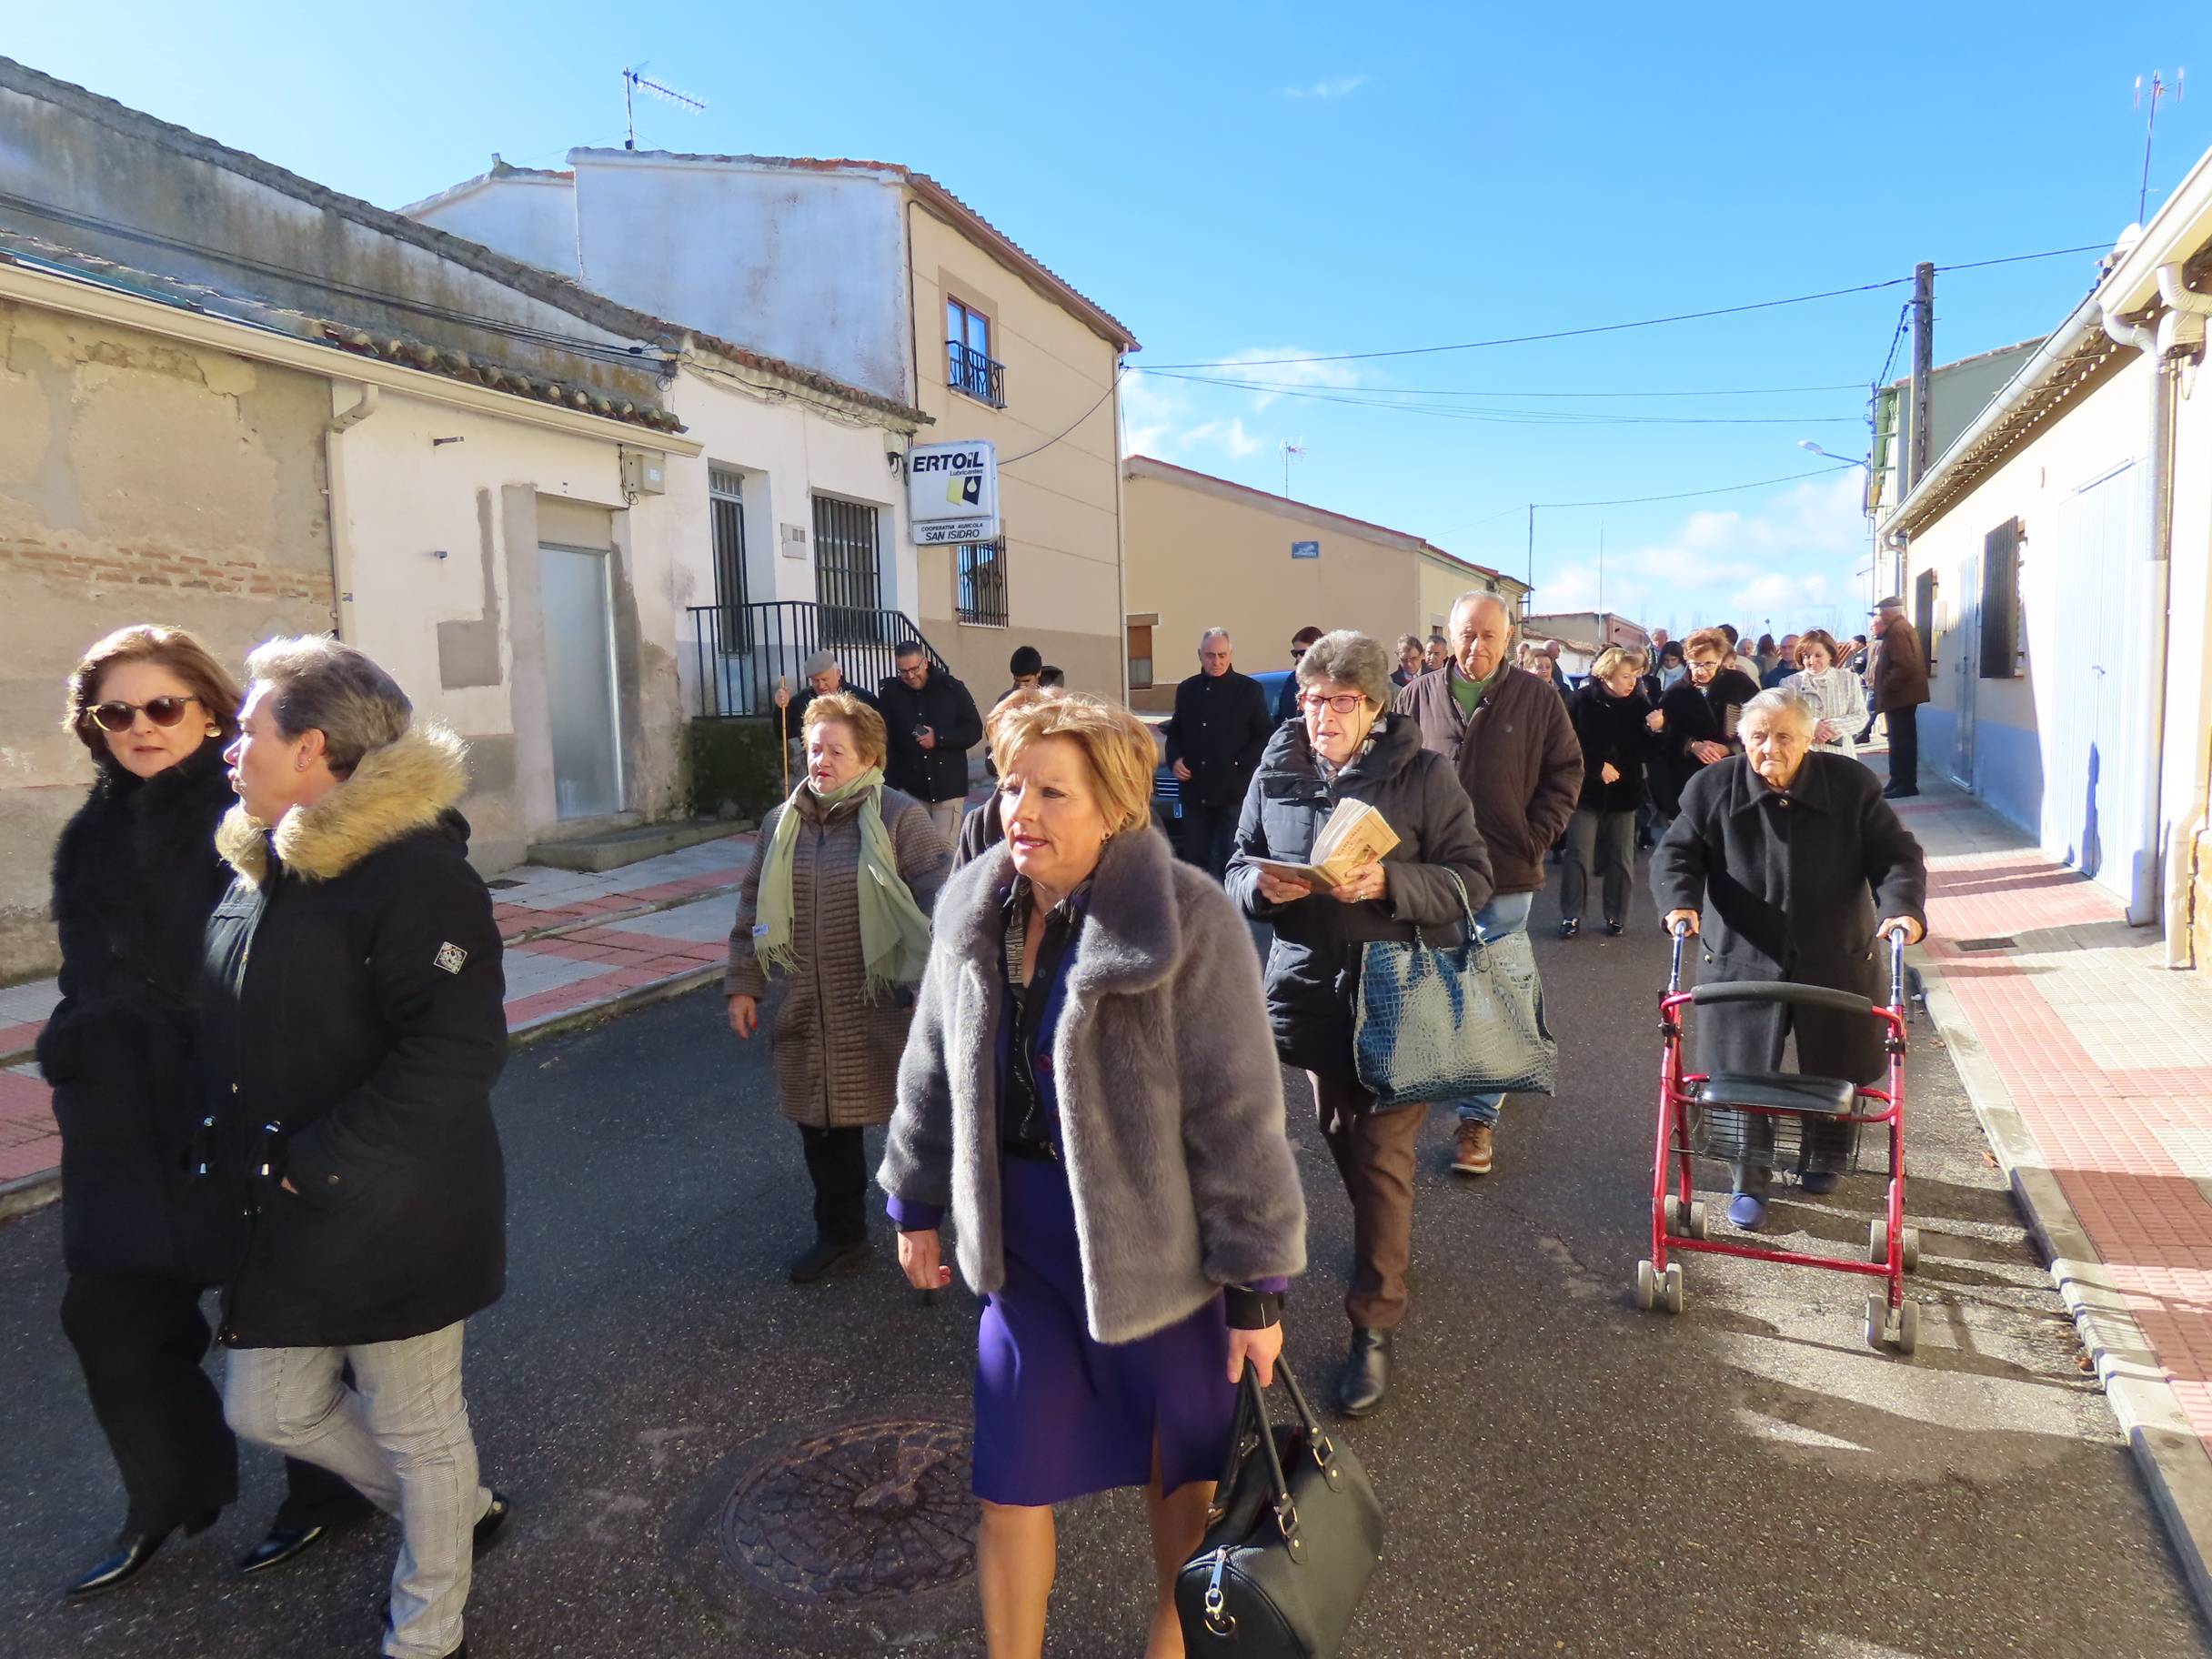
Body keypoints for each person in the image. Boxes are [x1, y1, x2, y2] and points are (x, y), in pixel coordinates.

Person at [882, 693, 1305, 1659]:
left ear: (1114, 805)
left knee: (1180, 1499)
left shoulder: (1186, 919)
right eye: (1010, 784)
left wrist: (1255, 1291)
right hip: (1023, 1255)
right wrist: (913, 1201)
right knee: (1008, 1484)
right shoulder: (976, 904)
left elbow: (1237, 1115)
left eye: (1049, 792)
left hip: (1160, 1261)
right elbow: (930, 1065)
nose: (1015, 810)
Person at [40, 627, 369, 1603]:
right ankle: (165, 1498)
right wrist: (75, 1044)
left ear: (212, 712)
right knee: (108, 1314)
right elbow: (83, 964)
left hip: (229, 1101)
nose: (140, 727)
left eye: (162, 706)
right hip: (116, 1116)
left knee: (277, 1315)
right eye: (117, 712)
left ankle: (328, 1487)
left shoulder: (255, 812)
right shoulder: (92, 831)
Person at [206, 637, 511, 1659]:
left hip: (396, 1203)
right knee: (267, 1408)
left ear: (317, 749)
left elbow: (457, 1049)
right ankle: (454, 1506)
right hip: (290, 1200)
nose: (228, 746)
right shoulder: (270, 858)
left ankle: (428, 1626)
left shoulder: (414, 874)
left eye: (248, 729)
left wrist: (319, 1159)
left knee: (418, 1422)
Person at [1229, 631, 1492, 1416]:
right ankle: (1390, 1241)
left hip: (1398, 992)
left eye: (1341, 701)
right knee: (1339, 1131)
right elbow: (1237, 858)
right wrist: (1259, 890)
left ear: (1375, 705)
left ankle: (1374, 1322)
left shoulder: (1423, 774)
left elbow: (1472, 879)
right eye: (1312, 699)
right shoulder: (1277, 764)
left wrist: (1389, 882)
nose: (1322, 716)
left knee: (1381, 1152)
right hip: (1310, 991)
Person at [1653, 690, 1927, 1230]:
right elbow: (1677, 851)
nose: (1769, 748)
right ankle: (1748, 1177)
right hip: (1741, 958)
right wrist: (1680, 901)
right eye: (1758, 736)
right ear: (1742, 738)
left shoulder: (1850, 786)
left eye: (1783, 737)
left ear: (1808, 739)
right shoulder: (1712, 787)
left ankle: (1823, 1156)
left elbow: (1895, 854)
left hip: (1834, 953)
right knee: (1742, 1071)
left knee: (1836, 1059)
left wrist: (1901, 910)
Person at [727, 692, 950, 1282]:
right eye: (812, 748)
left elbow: (941, 902)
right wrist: (744, 983)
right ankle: (842, 1234)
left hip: (887, 1001)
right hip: (809, 1003)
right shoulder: (782, 824)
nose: (819, 760)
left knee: (918, 1123)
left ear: (869, 758)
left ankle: (928, 1225)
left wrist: (931, 988)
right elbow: (754, 904)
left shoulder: (902, 817)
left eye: (834, 750)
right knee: (822, 1123)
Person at [1395, 591, 1582, 1180]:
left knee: (1490, 986)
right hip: (1432, 874)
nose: (1475, 647)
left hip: (1506, 870)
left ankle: (1477, 1117)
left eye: (1488, 637)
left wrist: (1536, 835)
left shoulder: (1536, 697)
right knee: (1437, 982)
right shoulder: (1415, 696)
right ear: (1448, 636)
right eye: (1466, 634)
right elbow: (1390, 772)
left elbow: (1565, 772)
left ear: (1508, 641)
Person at [1161, 628, 1273, 880]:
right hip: (1195, 792)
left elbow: (1265, 735)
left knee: (1229, 858)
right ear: (1200, 655)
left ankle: (1229, 913)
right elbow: (1176, 731)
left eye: (1222, 655)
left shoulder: (1249, 690)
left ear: (1231, 654)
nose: (1217, 661)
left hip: (1232, 794)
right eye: (1210, 655)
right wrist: (1175, 758)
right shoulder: (1187, 689)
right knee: (1194, 859)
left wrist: (1236, 762)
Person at [1559, 647, 1654, 939]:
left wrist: (1656, 730)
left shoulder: (1639, 706)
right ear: (1606, 675)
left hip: (1624, 794)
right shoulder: (1579, 702)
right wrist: (1595, 766)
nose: (1631, 682)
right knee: (1578, 854)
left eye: (1634, 676)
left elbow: (1650, 752)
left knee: (1621, 857)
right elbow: (1564, 745)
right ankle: (1571, 915)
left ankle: (1616, 916)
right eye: (1625, 676)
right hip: (1585, 793)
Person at [880, 642, 985, 846]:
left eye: (914, 669)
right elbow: (884, 739)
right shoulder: (891, 695)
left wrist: (939, 738)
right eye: (903, 671)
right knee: (915, 852)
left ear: (925, 662)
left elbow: (974, 730)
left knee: (944, 852)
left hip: (948, 788)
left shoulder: (952, 689)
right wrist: (891, 786)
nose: (910, 676)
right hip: (909, 790)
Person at [1651, 628, 1760, 789]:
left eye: (1709, 664)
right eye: (1696, 664)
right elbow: (1664, 735)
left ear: (1720, 659)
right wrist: (1691, 745)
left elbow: (1760, 724)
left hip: (1733, 773)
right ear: (1687, 661)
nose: (1701, 671)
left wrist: (1730, 748)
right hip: (1690, 776)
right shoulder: (1676, 692)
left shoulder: (1739, 683)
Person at [1870, 598, 1929, 798]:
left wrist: (1885, 686)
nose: (1880, 615)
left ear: (1890, 612)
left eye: (1882, 611)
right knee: (1897, 741)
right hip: (1900, 697)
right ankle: (1897, 780)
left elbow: (1904, 665)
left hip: (1900, 697)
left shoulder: (1898, 630)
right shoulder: (1898, 628)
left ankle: (1906, 784)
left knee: (1902, 742)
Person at [1785, 628, 1869, 759]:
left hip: (1842, 756)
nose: (1812, 661)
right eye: (1807, 656)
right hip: (1804, 756)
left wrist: (1829, 728)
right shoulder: (1789, 683)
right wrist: (1812, 726)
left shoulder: (1849, 679)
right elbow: (1785, 719)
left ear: (1830, 654)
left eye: (1818, 655)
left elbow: (1861, 716)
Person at [1277, 625, 1324, 722]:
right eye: (1295, 653)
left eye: (1303, 653)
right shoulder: (1293, 679)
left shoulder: (1330, 680)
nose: (1298, 658)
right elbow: (1282, 714)